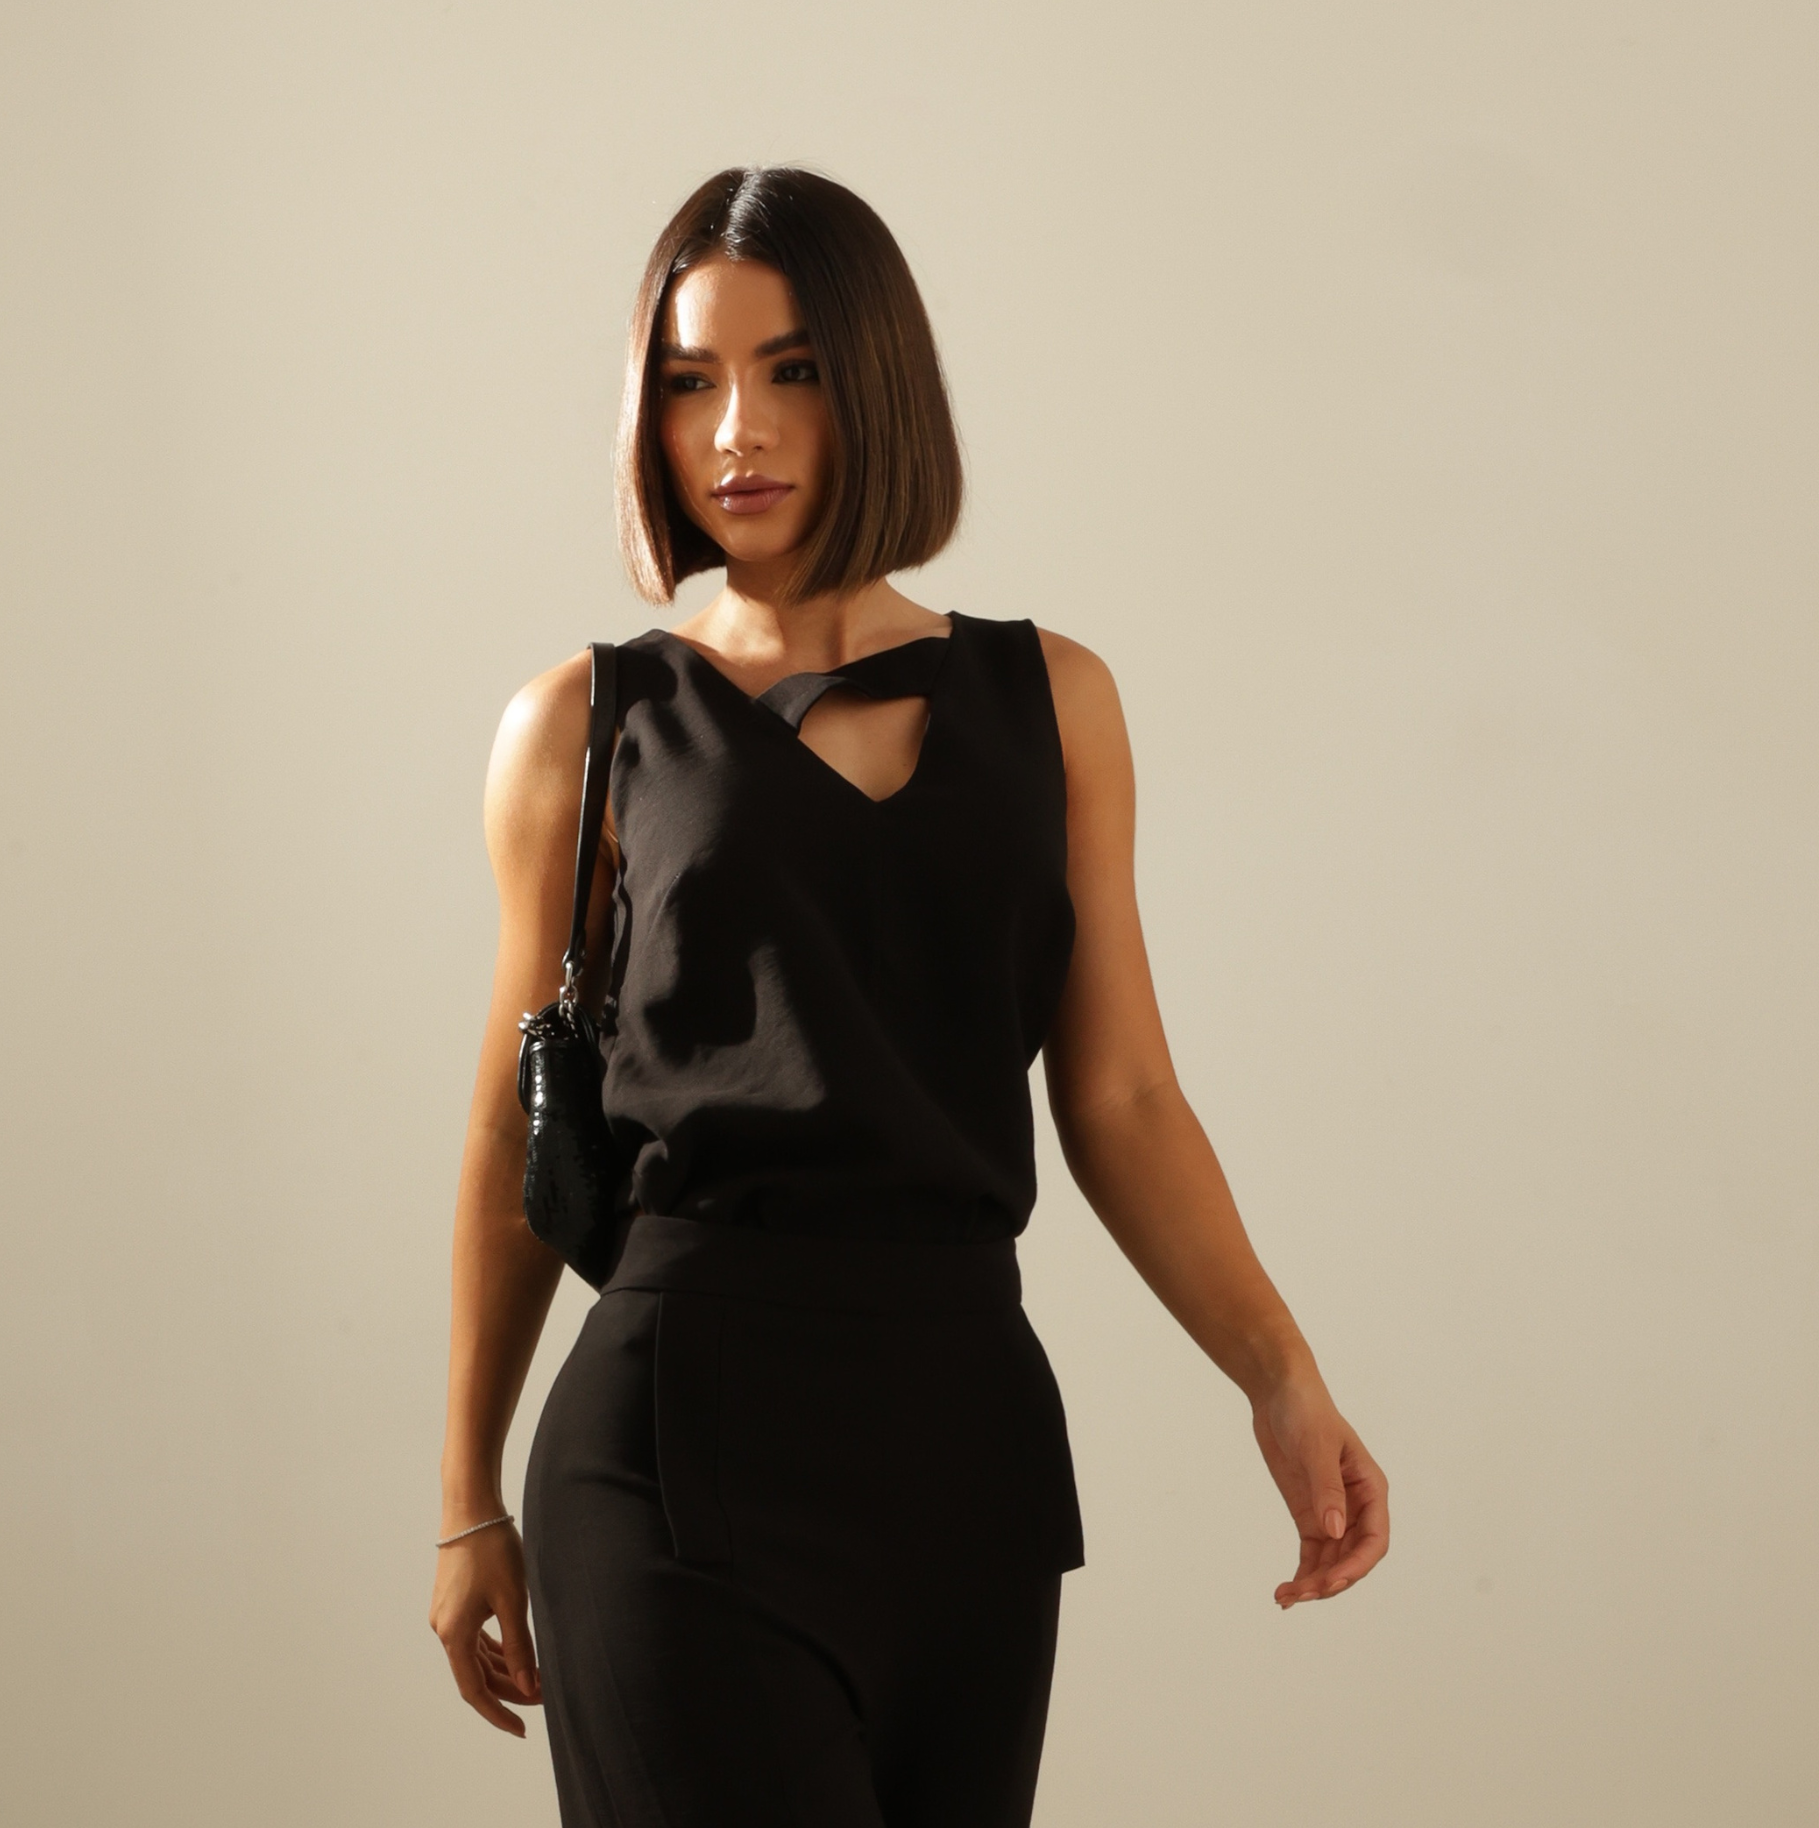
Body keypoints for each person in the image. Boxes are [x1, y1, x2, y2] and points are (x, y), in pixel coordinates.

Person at [429, 165, 1387, 1827]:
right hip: (672, 1444)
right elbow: (514, 1130)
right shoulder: (585, 725)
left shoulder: (1054, 700)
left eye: (790, 369)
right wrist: (464, 1492)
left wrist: (1279, 1371)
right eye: (689, 381)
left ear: (877, 382)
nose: (736, 428)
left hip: (967, 1457)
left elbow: (1121, 1097)